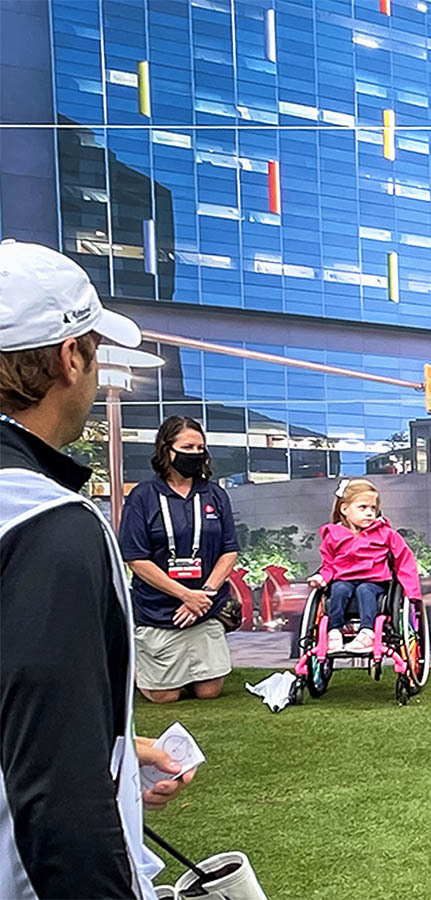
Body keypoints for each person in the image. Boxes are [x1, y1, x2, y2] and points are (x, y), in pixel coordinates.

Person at [0, 239, 191, 897]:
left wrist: (115, 749)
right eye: (95, 349)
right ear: (68, 358)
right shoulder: (43, 522)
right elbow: (60, 800)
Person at [119, 417, 240, 703]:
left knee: (210, 692)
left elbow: (229, 550)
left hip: (206, 608)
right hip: (160, 611)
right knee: (165, 697)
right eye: (187, 446)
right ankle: (142, 667)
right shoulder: (143, 496)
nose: (195, 453)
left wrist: (205, 595)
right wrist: (186, 595)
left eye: (200, 447)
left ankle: (190, 669)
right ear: (166, 449)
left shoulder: (215, 494)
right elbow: (136, 558)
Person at [307, 478, 422, 653]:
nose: (369, 513)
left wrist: (412, 593)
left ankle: (367, 633)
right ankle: (334, 632)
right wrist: (321, 578)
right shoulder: (333, 535)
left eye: (373, 508)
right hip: (343, 580)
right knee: (338, 589)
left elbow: (404, 561)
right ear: (344, 509)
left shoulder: (386, 534)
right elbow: (329, 565)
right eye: (363, 507)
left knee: (365, 590)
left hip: (375, 582)